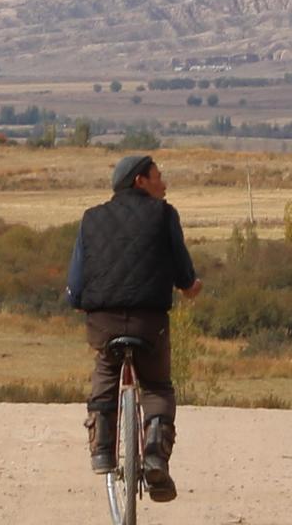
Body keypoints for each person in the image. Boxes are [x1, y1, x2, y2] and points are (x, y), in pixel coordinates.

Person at [66, 151, 202, 500]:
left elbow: (76, 279)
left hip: (103, 321)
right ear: (140, 181)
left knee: (106, 369)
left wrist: (78, 301)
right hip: (149, 321)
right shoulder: (164, 214)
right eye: (159, 176)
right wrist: (189, 286)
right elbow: (181, 267)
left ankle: (101, 448)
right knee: (156, 386)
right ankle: (155, 453)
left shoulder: (91, 218)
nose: (164, 184)